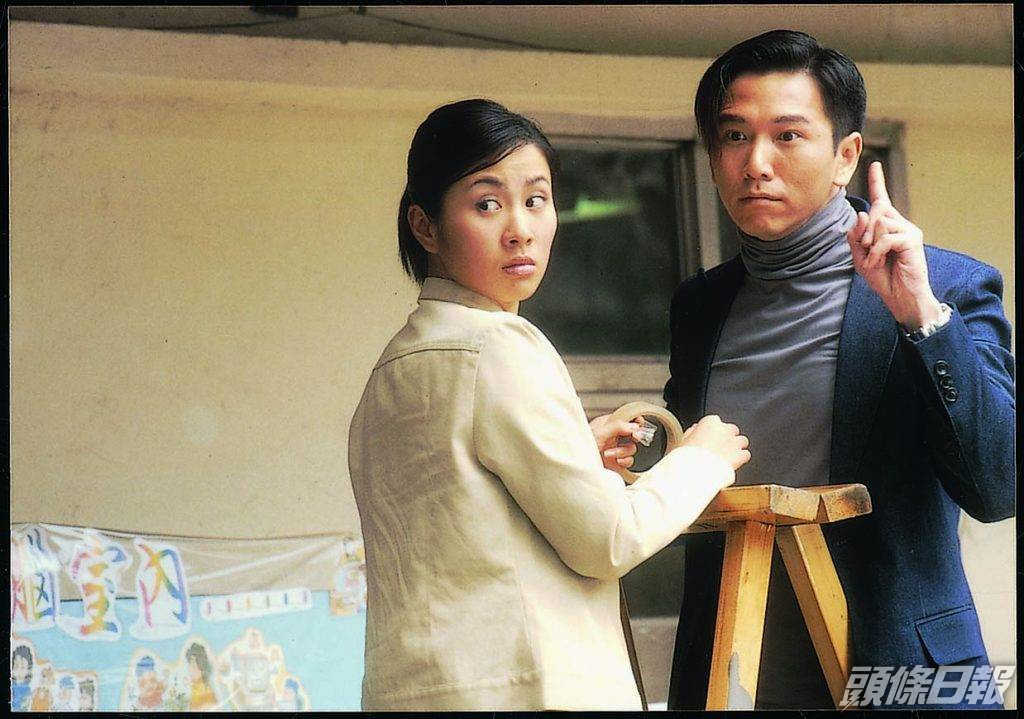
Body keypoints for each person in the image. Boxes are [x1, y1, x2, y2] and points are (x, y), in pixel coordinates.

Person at [348, 98, 751, 711]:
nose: (521, 229)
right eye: (487, 204)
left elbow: (461, 505)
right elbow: (609, 539)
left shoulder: (393, 368)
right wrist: (701, 460)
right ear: (425, 227)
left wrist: (576, 452)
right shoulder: (498, 345)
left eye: (536, 200)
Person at [664, 30, 1014, 710]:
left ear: (845, 156)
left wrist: (921, 316)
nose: (756, 163)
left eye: (788, 136)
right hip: (737, 670)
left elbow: (999, 486)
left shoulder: (945, 284)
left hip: (899, 673)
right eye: (734, 136)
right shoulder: (699, 306)